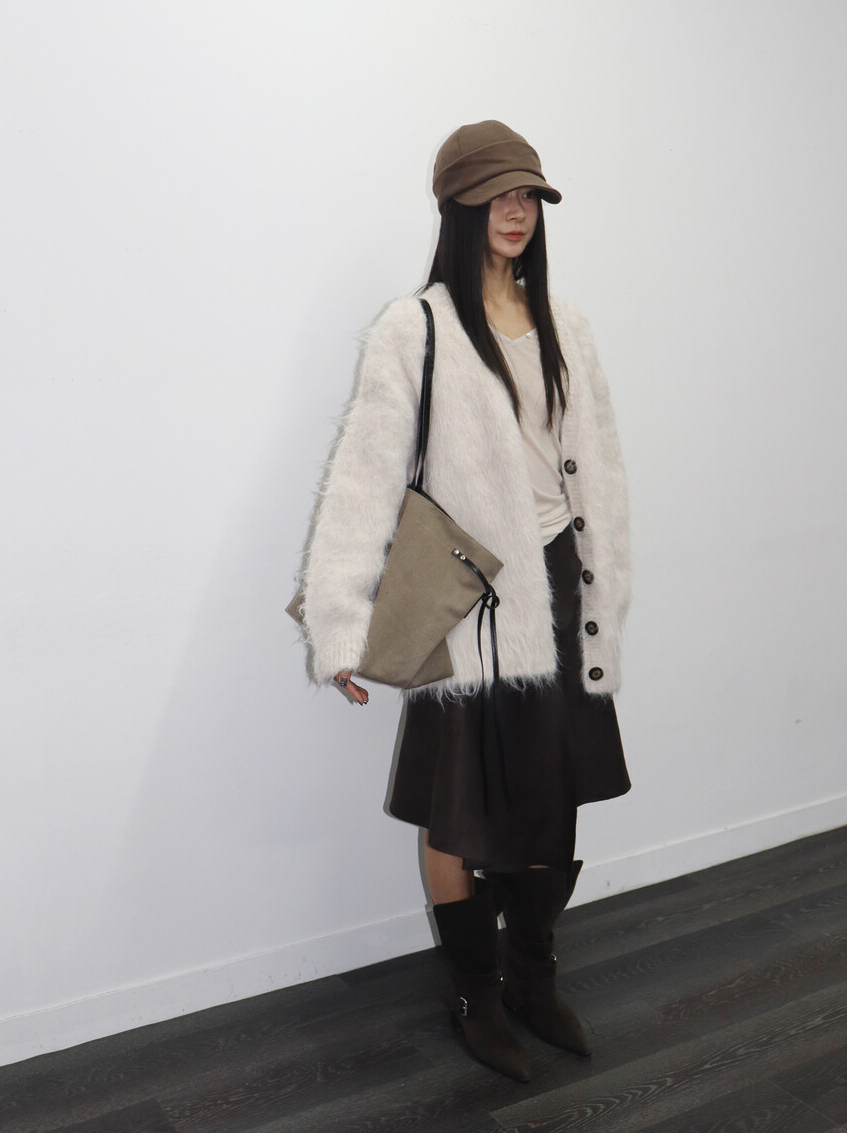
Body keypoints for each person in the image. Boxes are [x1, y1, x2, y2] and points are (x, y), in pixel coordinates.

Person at [301, 120, 631, 1082]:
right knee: (457, 808)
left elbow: (601, 464)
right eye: (497, 196)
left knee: (554, 798)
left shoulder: (566, 323)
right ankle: (475, 991)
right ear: (458, 207)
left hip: (559, 592)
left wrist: (605, 574)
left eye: (528, 196)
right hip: (472, 601)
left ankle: (533, 973)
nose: (516, 212)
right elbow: (365, 477)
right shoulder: (417, 329)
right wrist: (340, 623)